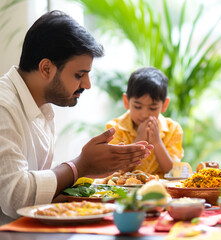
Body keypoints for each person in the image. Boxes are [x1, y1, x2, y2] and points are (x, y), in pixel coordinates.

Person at [0, 10, 153, 224]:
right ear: (46, 68)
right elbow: (16, 197)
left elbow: (35, 193)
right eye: (79, 75)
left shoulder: (41, 108)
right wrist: (80, 165)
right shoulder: (3, 106)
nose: (87, 85)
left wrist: (89, 177)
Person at [106, 67, 184, 177]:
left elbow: (174, 174)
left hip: (161, 191)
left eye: (152, 108)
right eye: (138, 107)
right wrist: (139, 141)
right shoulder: (114, 129)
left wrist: (157, 142)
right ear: (126, 101)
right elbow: (116, 172)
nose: (145, 114)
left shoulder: (173, 129)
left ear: (165, 105)